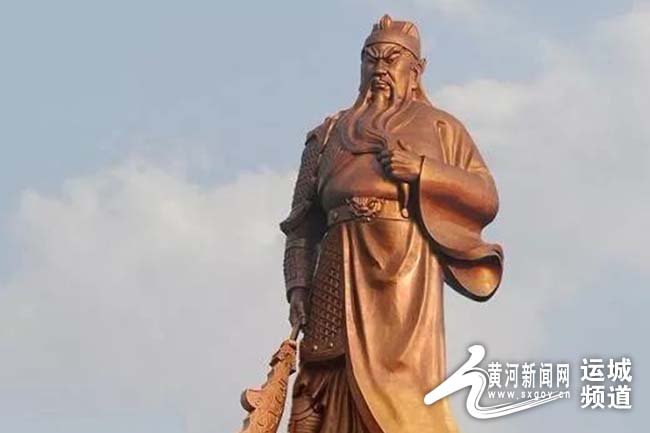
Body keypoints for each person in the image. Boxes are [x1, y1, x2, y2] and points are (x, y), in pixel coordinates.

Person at [280, 14, 504, 433]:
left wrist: (423, 170)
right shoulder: (326, 136)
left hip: (404, 270)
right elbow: (300, 226)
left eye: (392, 59)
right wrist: (298, 288)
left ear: (416, 70)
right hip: (336, 268)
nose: (380, 69)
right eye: (371, 59)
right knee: (323, 383)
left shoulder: (442, 128)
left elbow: (485, 195)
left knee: (402, 388)